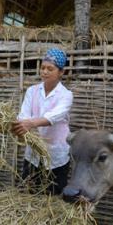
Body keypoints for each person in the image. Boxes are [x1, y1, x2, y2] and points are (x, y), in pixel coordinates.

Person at [12, 47, 73, 195]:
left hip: (56, 154)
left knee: (53, 195)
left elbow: (54, 116)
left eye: (50, 69)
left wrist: (30, 124)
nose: (44, 72)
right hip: (33, 154)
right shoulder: (32, 91)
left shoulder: (66, 95)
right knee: (28, 193)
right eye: (43, 68)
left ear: (61, 72)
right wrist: (20, 125)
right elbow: (24, 115)